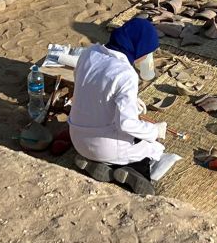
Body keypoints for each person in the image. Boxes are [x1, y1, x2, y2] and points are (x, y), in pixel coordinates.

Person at [68, 16, 165, 195]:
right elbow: (126, 124)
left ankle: (98, 163)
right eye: (148, 52)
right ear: (140, 47)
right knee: (152, 147)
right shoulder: (125, 74)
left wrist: (131, 103)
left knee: (129, 134)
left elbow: (91, 88)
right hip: (105, 146)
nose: (147, 57)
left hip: (76, 137)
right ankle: (127, 170)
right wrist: (154, 131)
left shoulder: (89, 53)